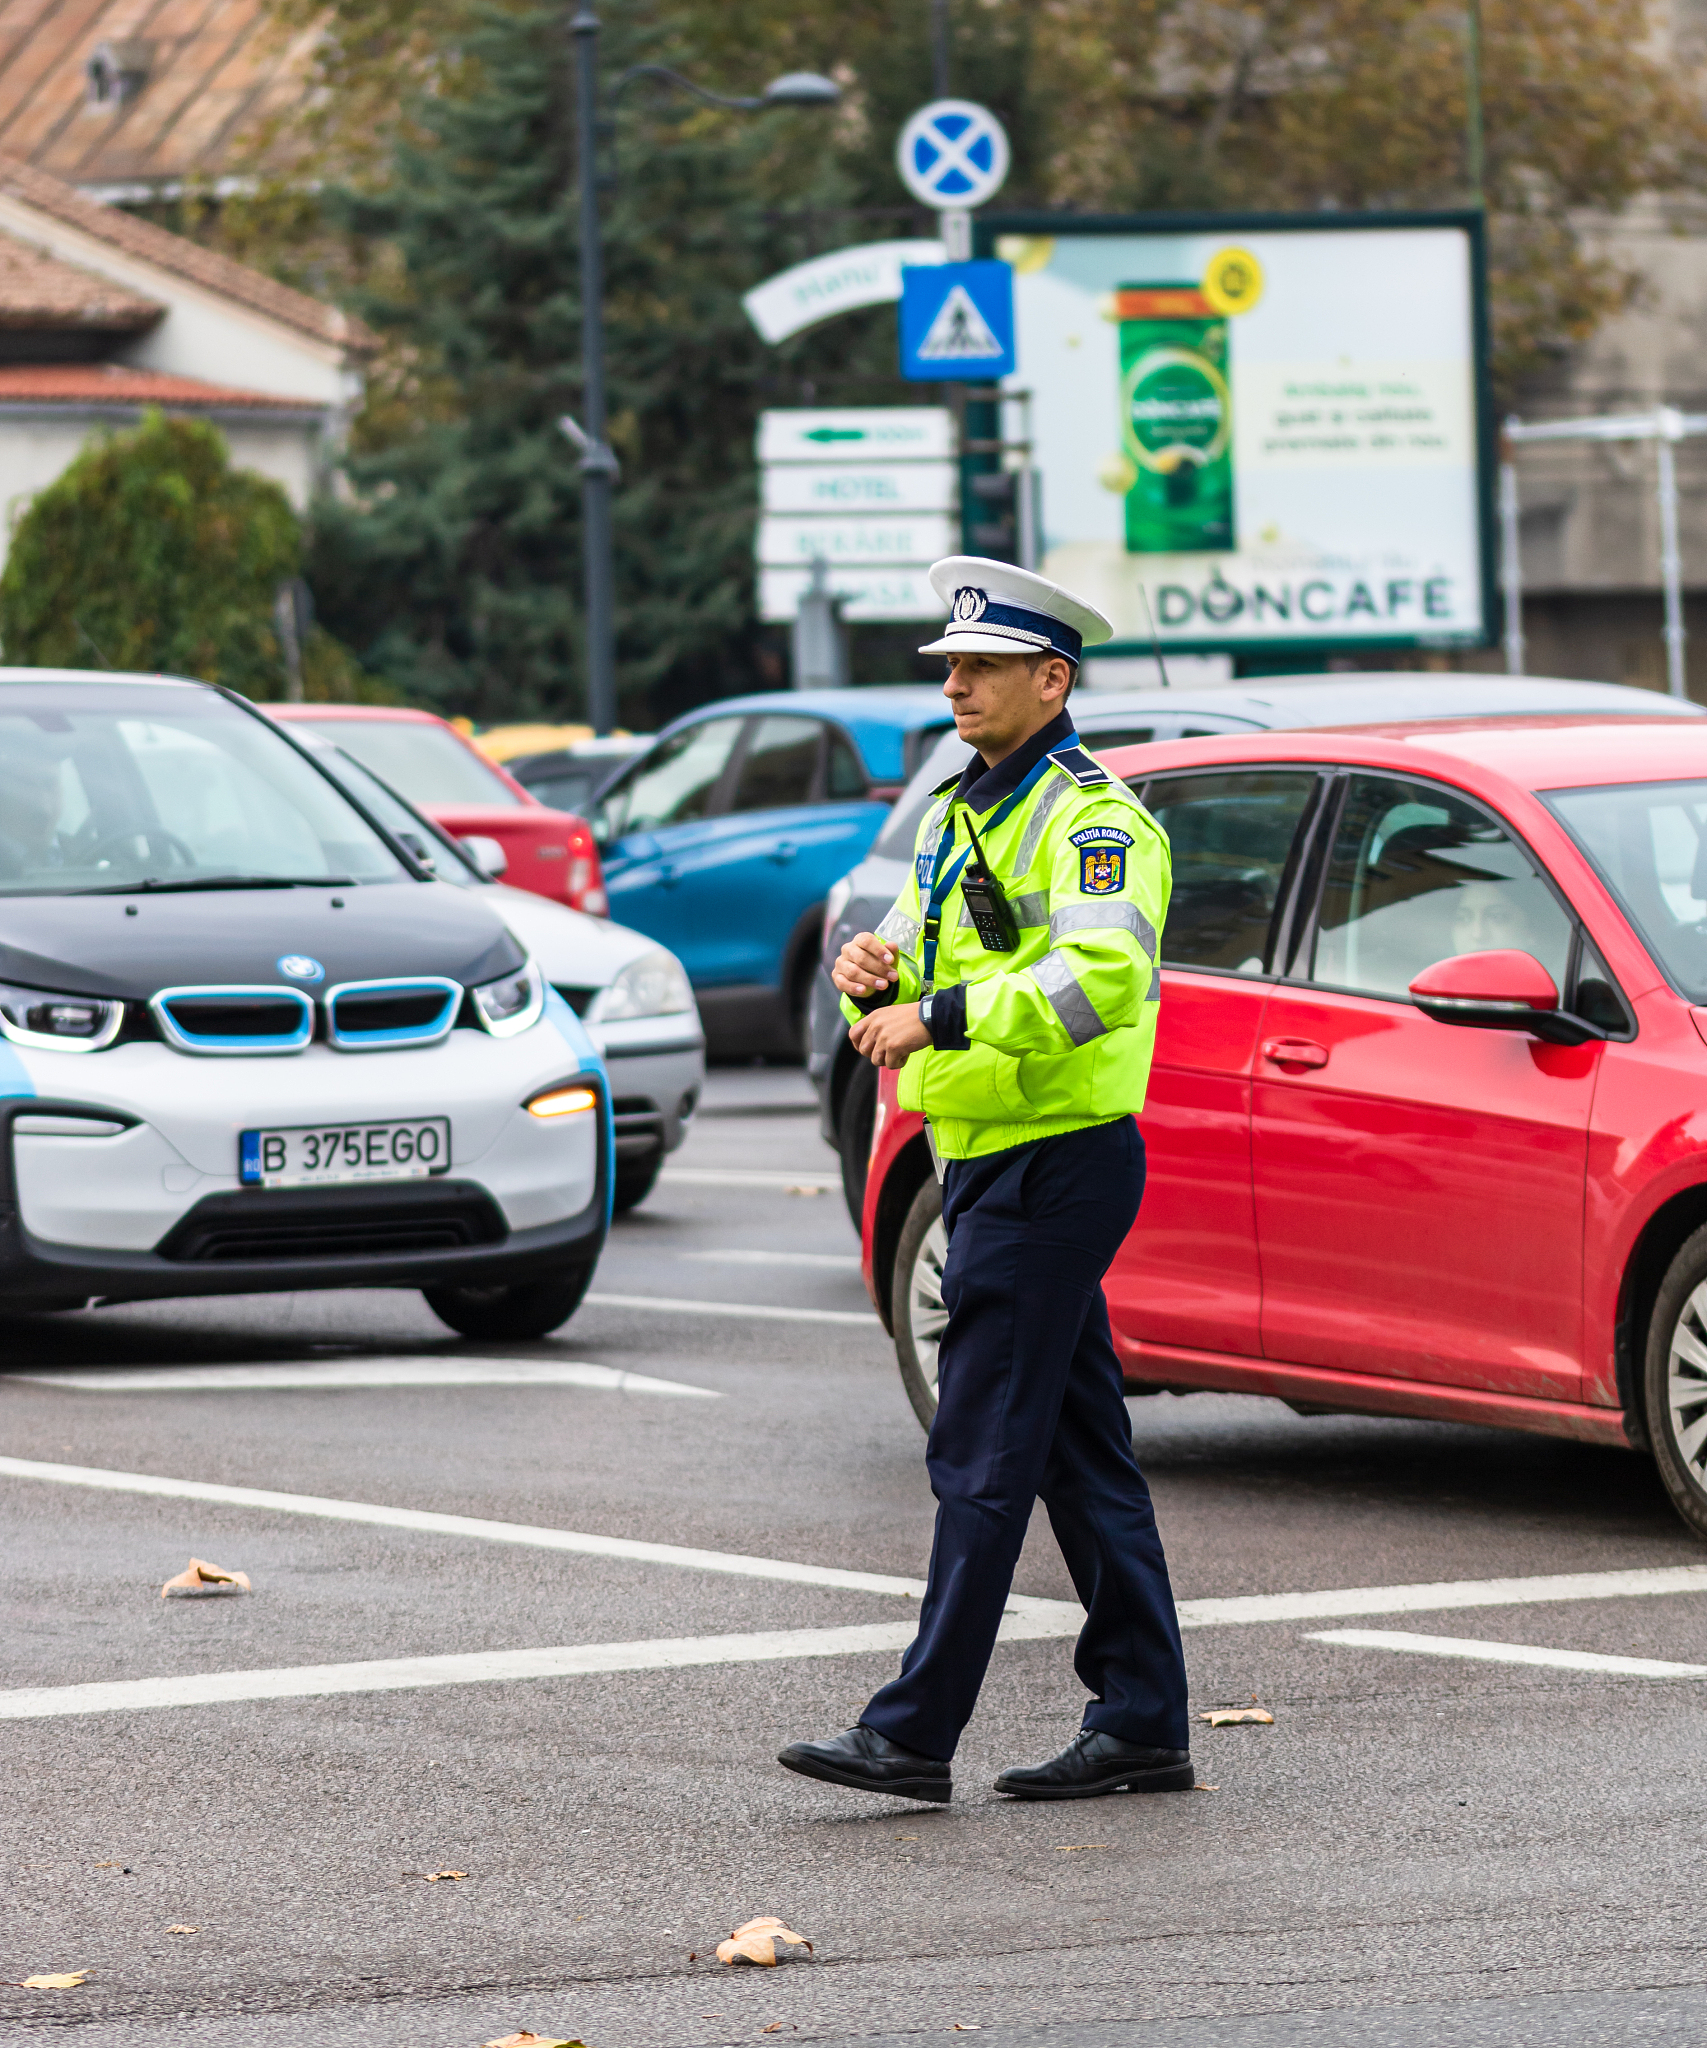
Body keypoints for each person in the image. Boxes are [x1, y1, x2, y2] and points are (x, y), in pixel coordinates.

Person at [778, 556, 1191, 1806]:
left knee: (980, 1452)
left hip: (1052, 1161)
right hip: (989, 1160)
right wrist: (877, 968)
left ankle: (911, 1731)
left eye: (980, 667)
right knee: (1074, 1449)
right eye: (949, 666)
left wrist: (938, 1017)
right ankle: (1142, 1717)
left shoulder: (1094, 819)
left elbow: (1101, 980)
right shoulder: (967, 808)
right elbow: (926, 935)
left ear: (1052, 678)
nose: (953, 683)